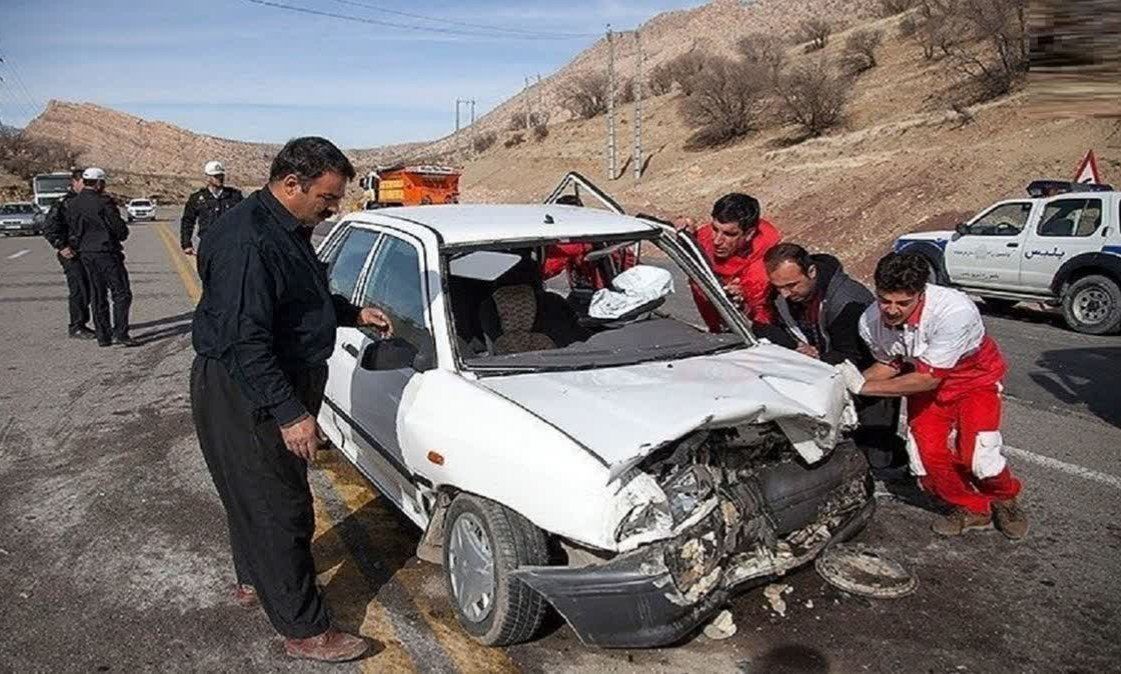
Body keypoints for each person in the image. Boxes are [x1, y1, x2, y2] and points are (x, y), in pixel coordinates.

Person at [191, 137, 392, 663]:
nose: (333, 208)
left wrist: (349, 313)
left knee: (252, 492)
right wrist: (290, 413)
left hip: (265, 377)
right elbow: (245, 341)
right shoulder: (248, 241)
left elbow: (295, 298)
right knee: (279, 507)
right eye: (327, 198)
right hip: (249, 387)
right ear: (290, 185)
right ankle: (304, 628)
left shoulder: (284, 228)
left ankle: (257, 579)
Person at [838, 252, 1029, 539]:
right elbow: (890, 364)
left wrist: (862, 387)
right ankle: (972, 507)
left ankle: (1005, 497)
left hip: (972, 379)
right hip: (922, 378)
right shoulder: (870, 320)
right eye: (884, 300)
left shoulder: (955, 311)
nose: (891, 310)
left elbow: (927, 379)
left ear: (921, 293)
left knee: (979, 455)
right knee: (926, 456)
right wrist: (843, 384)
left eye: (902, 303)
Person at [763, 243, 906, 477]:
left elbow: (851, 354)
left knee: (876, 450)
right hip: (826, 371)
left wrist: (816, 357)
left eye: (791, 285)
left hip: (868, 376)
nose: (785, 294)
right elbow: (773, 327)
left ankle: (897, 472)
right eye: (779, 287)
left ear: (811, 272)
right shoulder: (784, 296)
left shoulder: (849, 301)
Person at [678, 193, 782, 330]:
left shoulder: (763, 266)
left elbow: (761, 319)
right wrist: (684, 235)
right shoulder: (705, 237)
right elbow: (690, 253)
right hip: (715, 327)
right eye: (715, 229)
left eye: (729, 234)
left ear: (749, 234)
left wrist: (743, 304)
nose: (717, 241)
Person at [64, 168, 134, 347]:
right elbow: (119, 229)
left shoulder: (73, 203)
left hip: (86, 254)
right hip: (106, 252)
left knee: (97, 294)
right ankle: (121, 333)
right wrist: (121, 233)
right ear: (99, 183)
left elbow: (72, 229)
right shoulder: (104, 202)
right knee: (121, 293)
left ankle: (103, 336)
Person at [42, 167, 94, 339]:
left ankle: (89, 322)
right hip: (71, 252)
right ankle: (77, 325)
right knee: (79, 288)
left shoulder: (90, 201)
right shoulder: (64, 203)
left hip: (89, 251)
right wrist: (61, 246)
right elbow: (49, 228)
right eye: (83, 182)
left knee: (91, 288)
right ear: (75, 182)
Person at [180, 160, 243, 255]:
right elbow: (188, 221)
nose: (220, 178)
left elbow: (246, 218)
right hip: (207, 246)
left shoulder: (234, 196)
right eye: (216, 176)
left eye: (221, 175)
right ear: (208, 178)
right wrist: (186, 244)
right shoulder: (197, 198)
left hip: (230, 246)